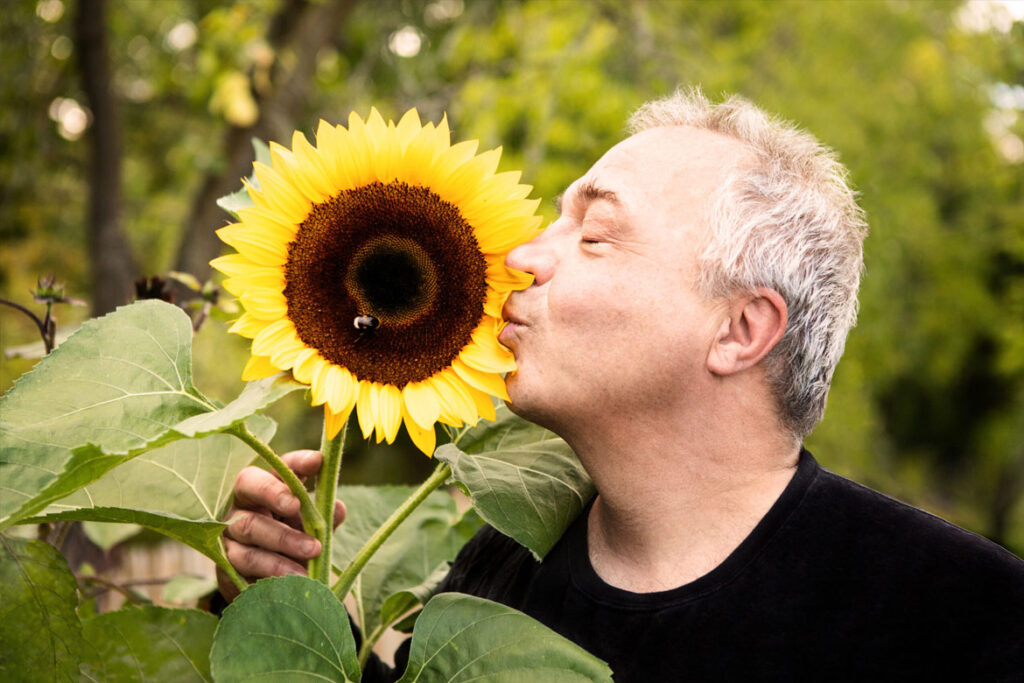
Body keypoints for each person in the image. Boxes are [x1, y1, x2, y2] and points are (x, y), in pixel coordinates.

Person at [217, 88, 1024, 681]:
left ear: (742, 330)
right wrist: (305, 621)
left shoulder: (956, 614)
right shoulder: (509, 559)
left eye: (596, 234)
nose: (523, 256)